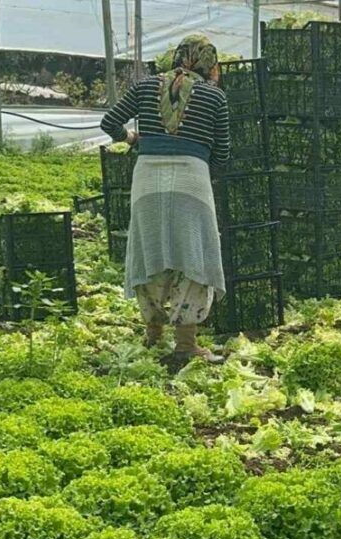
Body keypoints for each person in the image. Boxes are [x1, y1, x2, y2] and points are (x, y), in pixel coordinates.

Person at [101, 34, 230, 362]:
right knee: (193, 257)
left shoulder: (145, 86)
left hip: (148, 179)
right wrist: (202, 170)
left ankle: (153, 334)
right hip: (192, 181)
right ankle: (186, 344)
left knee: (150, 250)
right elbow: (223, 152)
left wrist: (132, 137)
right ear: (209, 63)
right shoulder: (214, 97)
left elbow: (109, 122)